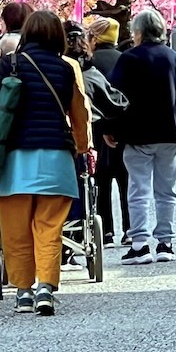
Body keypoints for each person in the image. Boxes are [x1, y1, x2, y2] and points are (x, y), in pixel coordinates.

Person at [0, 10, 91, 316]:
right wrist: (82, 147)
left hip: (15, 160)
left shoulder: (10, 64)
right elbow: (79, 113)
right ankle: (46, 288)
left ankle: (24, 292)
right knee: (49, 228)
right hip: (56, 159)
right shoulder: (66, 68)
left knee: (15, 231)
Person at [107, 9, 176, 265]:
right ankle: (165, 243)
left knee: (138, 190)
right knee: (166, 191)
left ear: (137, 32)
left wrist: (110, 128)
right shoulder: (175, 59)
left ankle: (139, 245)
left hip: (136, 135)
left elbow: (113, 95)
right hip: (169, 134)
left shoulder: (129, 59)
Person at [61, 22, 127, 268]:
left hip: (49, 142)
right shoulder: (89, 74)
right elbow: (115, 103)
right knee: (90, 184)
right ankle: (82, 235)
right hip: (85, 140)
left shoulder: (48, 70)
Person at [85, 16, 131, 246]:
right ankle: (130, 228)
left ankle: (106, 231)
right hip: (124, 128)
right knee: (126, 180)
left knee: (100, 180)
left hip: (97, 127)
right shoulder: (125, 59)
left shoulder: (90, 62)